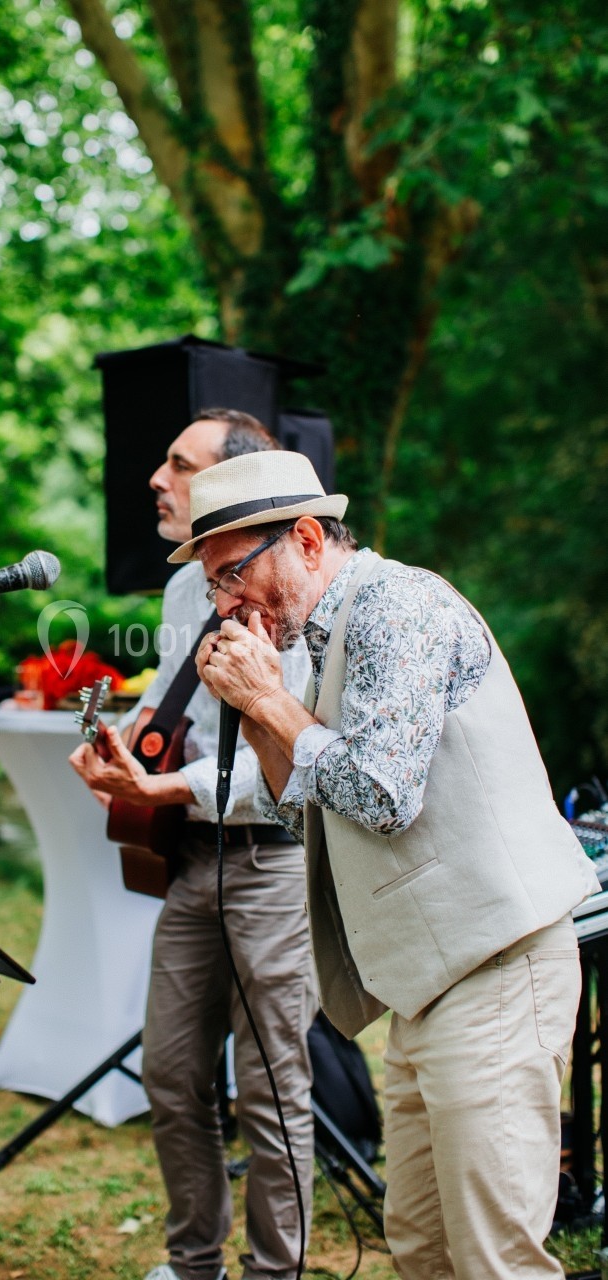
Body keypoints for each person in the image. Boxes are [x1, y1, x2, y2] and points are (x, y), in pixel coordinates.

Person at [177, 448, 601, 1280]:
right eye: (213, 588)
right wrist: (260, 714)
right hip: (429, 990)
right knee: (424, 1248)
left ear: (304, 537)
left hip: (498, 970)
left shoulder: (396, 606)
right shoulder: (323, 640)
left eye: (232, 574)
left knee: (494, 1260)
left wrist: (268, 701)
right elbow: (308, 818)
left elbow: (379, 794)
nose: (225, 604)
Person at [69, 412, 317, 1280]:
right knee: (172, 1076)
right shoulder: (185, 590)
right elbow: (167, 714)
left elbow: (300, 753)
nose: (156, 479)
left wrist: (164, 788)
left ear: (232, 485)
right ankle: (193, 1264)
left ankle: (272, 1273)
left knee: (272, 1089)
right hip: (195, 863)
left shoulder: (296, 587)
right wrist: (118, 749)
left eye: (179, 464)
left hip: (275, 860)